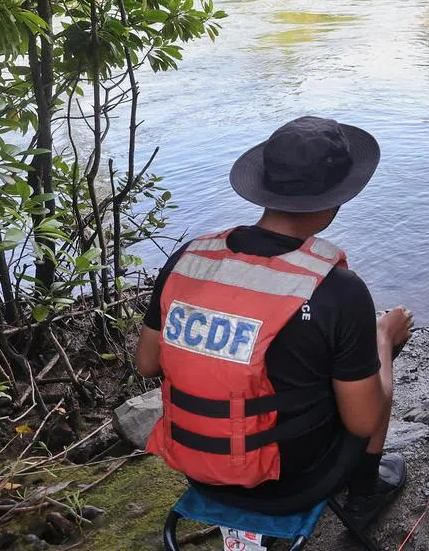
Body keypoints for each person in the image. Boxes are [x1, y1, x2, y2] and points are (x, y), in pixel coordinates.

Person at [134, 116, 412, 531]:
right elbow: (363, 422)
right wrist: (383, 338)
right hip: (294, 485)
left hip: (199, 469)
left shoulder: (190, 259)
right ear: (337, 199)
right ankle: (365, 493)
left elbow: (147, 363)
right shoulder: (340, 290)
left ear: (264, 186)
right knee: (371, 371)